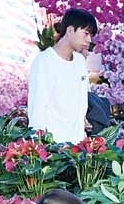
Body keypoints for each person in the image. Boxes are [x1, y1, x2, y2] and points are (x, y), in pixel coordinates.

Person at [28, 8, 97, 144]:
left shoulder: (80, 61)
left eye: (91, 35)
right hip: (54, 146)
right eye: (86, 33)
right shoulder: (44, 61)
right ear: (70, 30)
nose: (89, 40)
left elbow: (82, 101)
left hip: (78, 144)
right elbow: (37, 108)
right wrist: (39, 145)